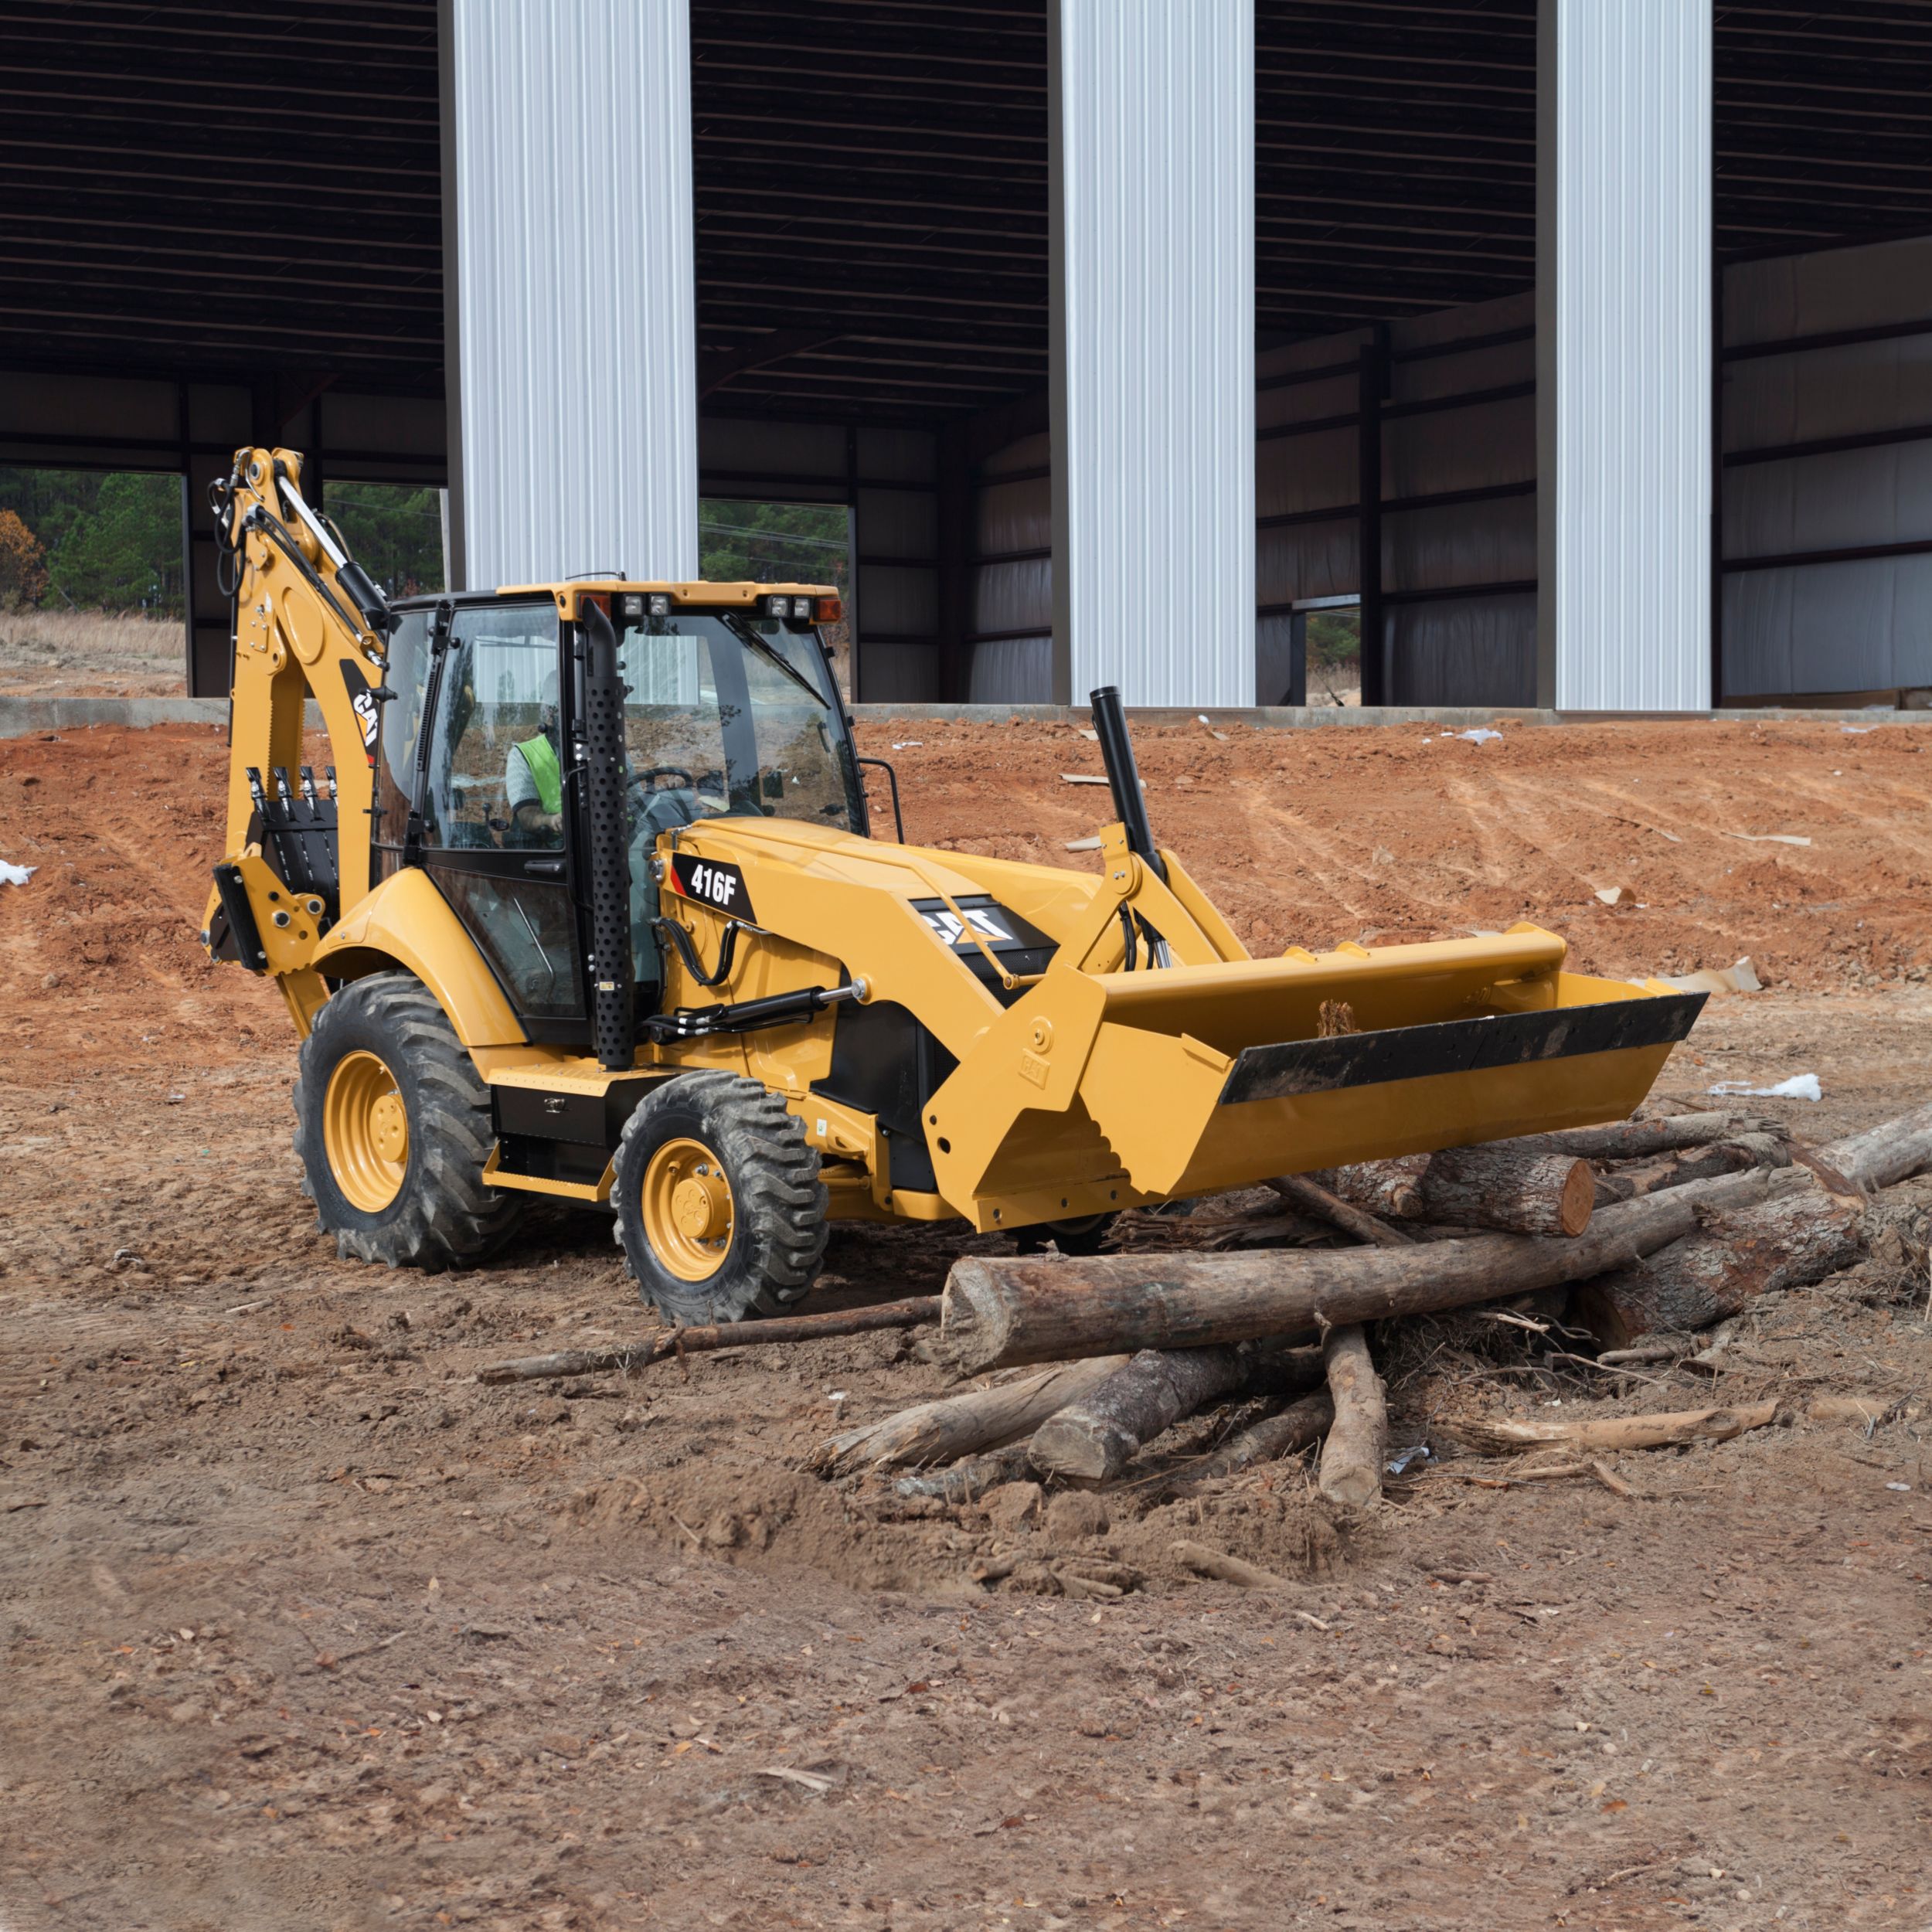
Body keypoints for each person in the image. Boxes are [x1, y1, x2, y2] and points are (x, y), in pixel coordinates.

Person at [505, 678, 563, 842]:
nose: (550, 713)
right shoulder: (523, 754)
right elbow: (527, 815)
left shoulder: (610, 752)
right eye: (551, 708)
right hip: (555, 848)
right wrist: (550, 820)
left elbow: (634, 801)